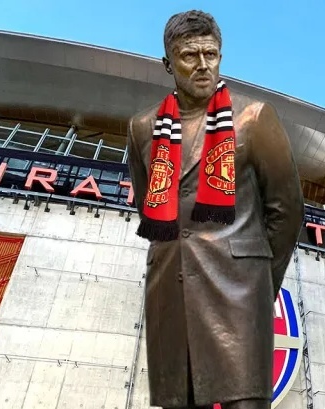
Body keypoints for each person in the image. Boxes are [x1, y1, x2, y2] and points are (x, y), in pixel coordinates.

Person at [126, 10, 304, 409]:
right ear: (168, 64)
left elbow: (287, 211)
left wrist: (257, 283)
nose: (203, 65)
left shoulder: (253, 118)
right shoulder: (142, 127)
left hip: (239, 292)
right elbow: (148, 207)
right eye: (190, 56)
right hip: (170, 292)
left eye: (211, 54)